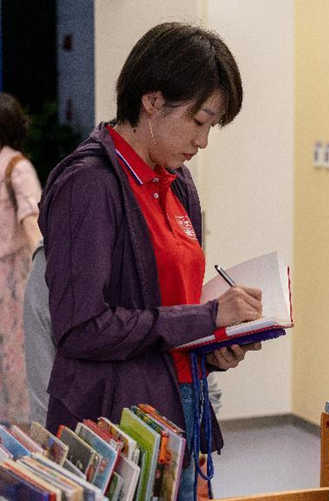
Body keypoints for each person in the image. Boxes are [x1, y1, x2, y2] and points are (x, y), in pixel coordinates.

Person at [38, 22, 259, 499]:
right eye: (199, 121)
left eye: (212, 126)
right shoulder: (89, 185)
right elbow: (81, 329)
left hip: (180, 404)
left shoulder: (177, 182)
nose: (203, 141)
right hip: (118, 424)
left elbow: (169, 306)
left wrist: (213, 344)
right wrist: (205, 317)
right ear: (153, 101)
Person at [22, 240, 224, 425]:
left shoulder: (158, 243)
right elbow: (42, 370)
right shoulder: (55, 258)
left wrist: (207, 390)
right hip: (94, 431)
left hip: (172, 420)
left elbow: (183, 321)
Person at [0, 91, 43, 423]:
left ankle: (19, 436)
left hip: (13, 280)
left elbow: (33, 225)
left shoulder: (16, 166)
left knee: (15, 361)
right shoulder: (16, 165)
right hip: (9, 279)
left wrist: (45, 270)